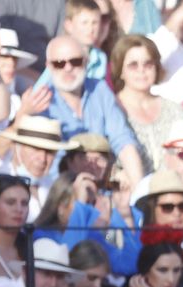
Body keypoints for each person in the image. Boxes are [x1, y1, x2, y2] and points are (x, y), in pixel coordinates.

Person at [42, 34, 147, 185]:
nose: (68, 68)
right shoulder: (42, 99)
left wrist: (138, 188)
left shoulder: (100, 90)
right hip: (59, 187)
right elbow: (46, 163)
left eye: (75, 61)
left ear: (86, 62)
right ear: (48, 66)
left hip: (101, 181)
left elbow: (122, 140)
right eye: (59, 63)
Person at [111, 34, 183, 175]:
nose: (141, 70)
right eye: (133, 65)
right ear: (120, 70)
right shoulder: (111, 109)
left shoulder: (175, 110)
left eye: (148, 64)